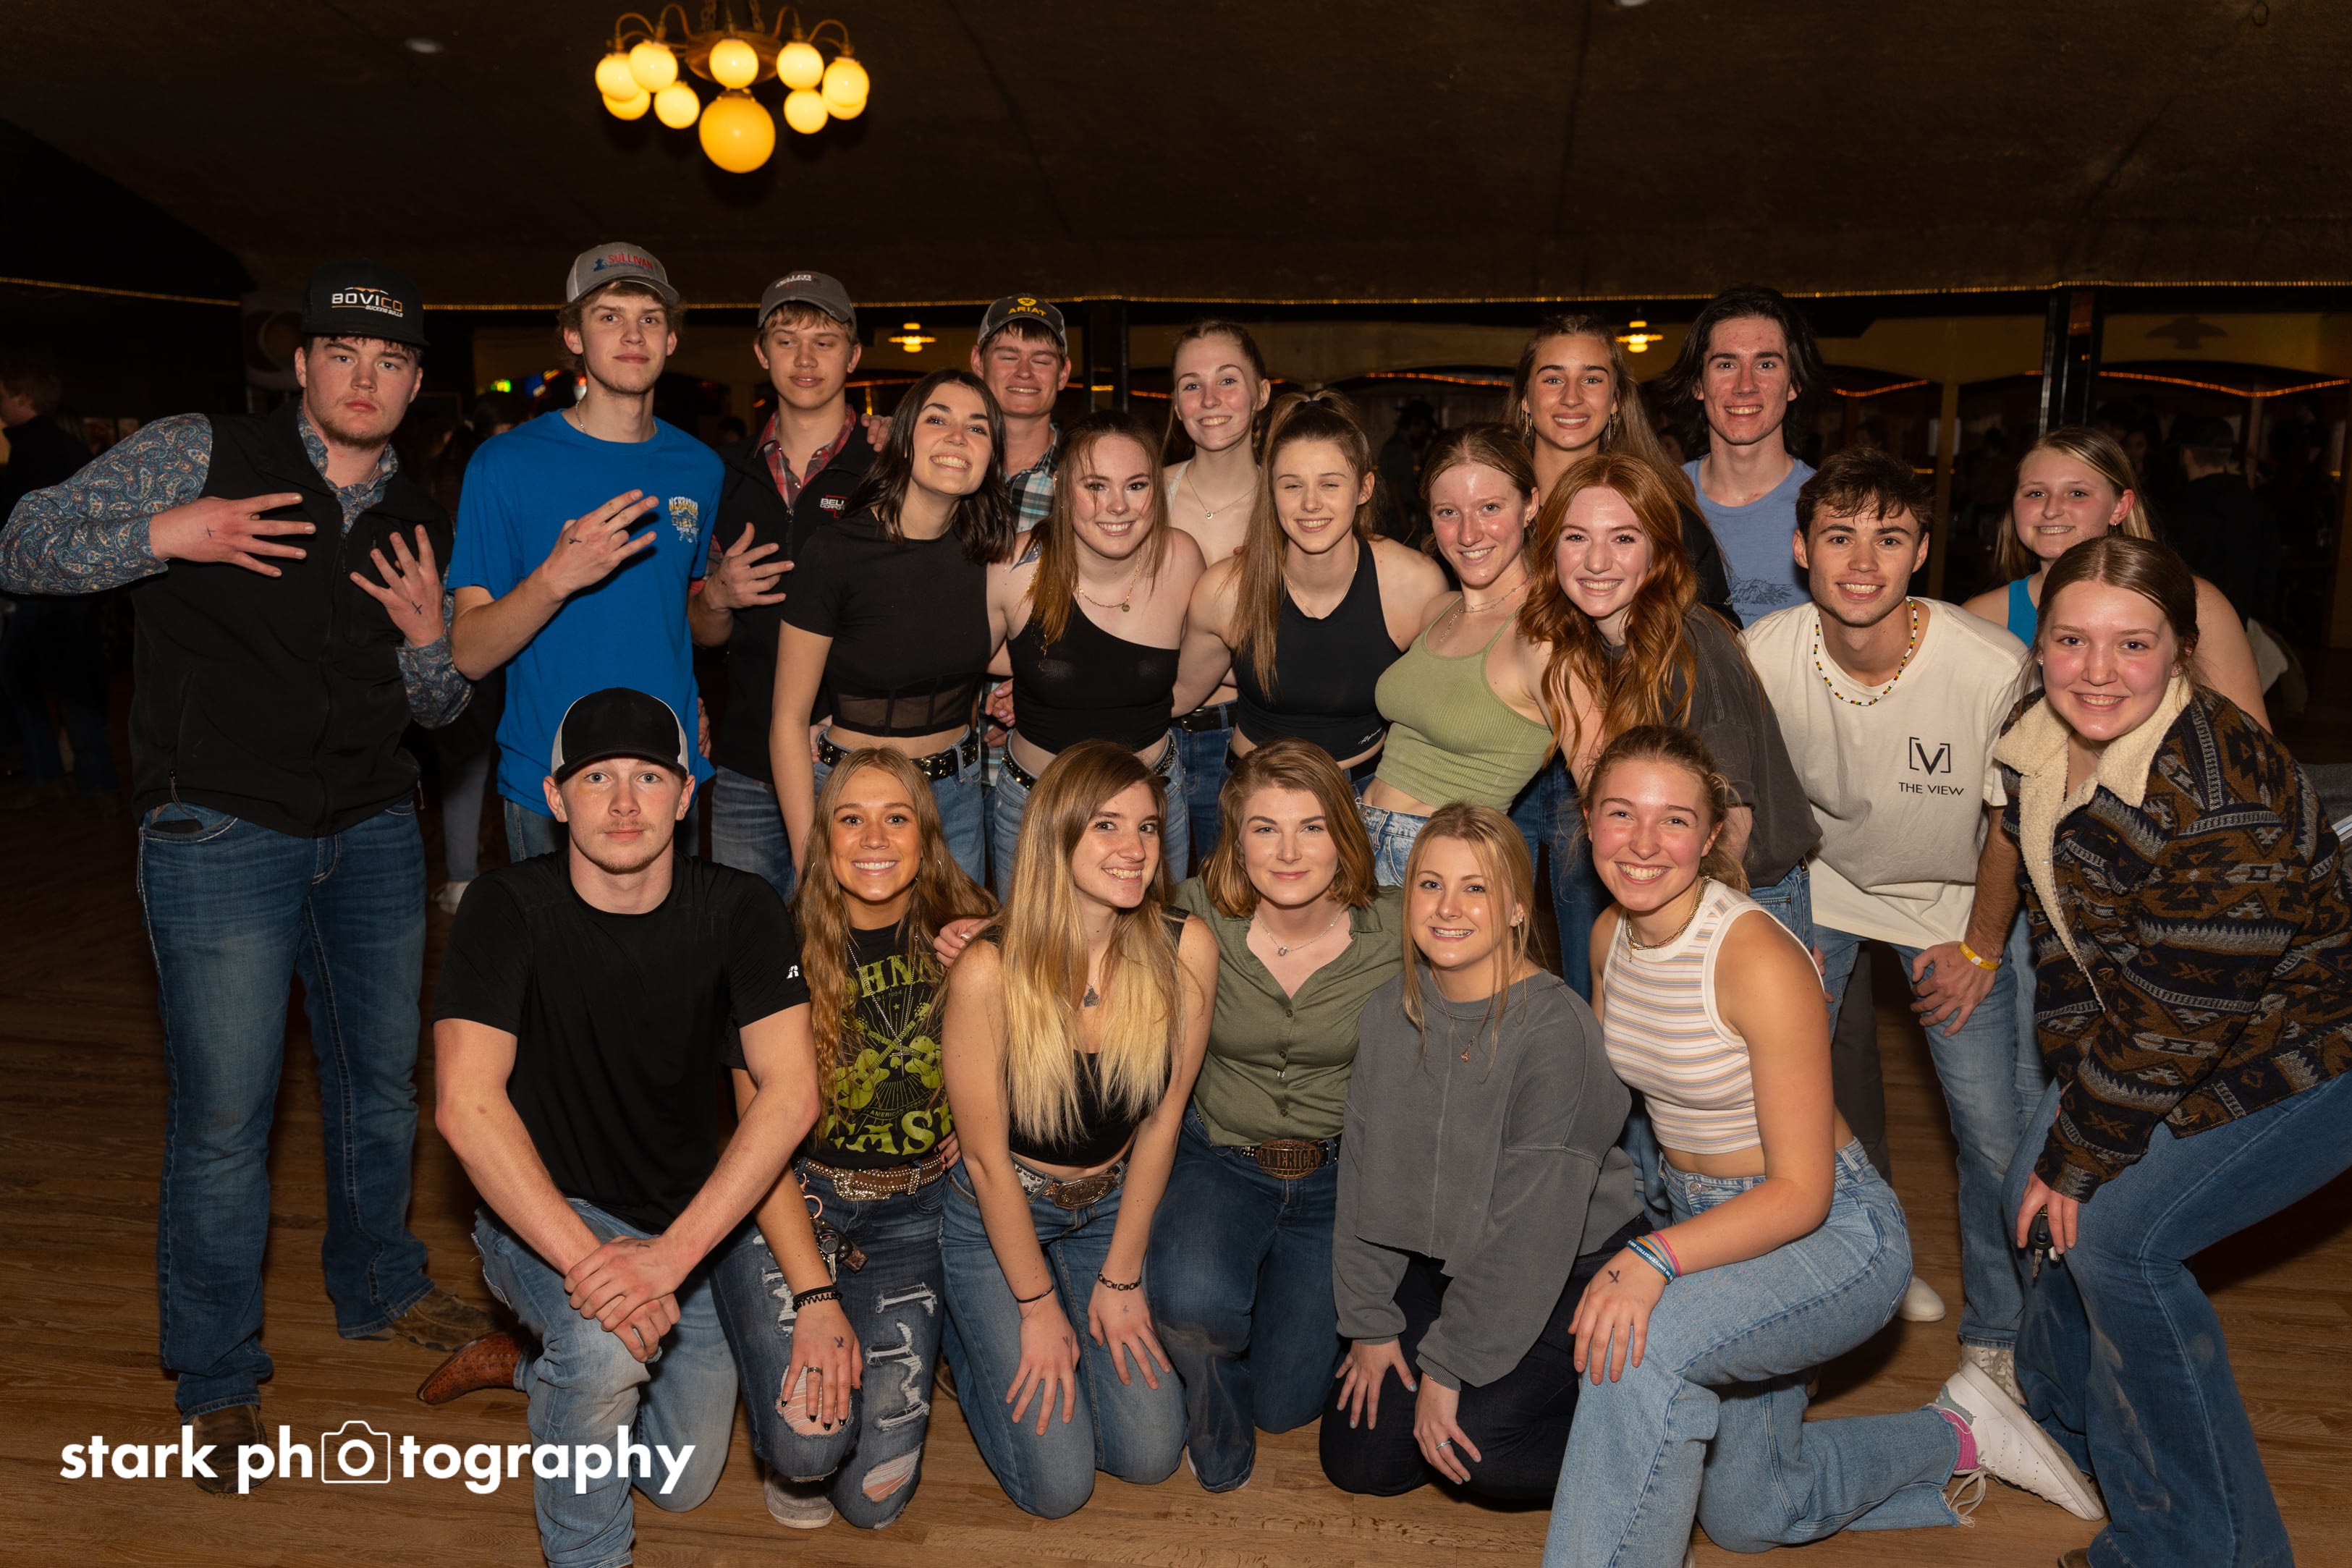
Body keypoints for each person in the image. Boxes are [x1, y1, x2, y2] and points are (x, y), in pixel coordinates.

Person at [0, 261, 488, 1481]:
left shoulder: (418, 514)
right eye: (344, 354)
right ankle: (217, 1374)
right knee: (227, 1118)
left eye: (390, 361)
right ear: (302, 363)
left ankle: (380, 1284)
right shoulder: (199, 451)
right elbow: (22, 544)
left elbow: (435, 709)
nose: (364, 377)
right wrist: (168, 534)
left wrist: (431, 643)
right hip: (218, 829)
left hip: (373, 827)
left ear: (414, 384)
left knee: (383, 1089)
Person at [1541, 725, 2101, 1568]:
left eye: (1673, 820)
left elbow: (1801, 1193)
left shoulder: (1755, 956)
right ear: (1588, 820)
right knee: (1754, 1509)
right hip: (1708, 1229)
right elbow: (1613, 1108)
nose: (1643, 843)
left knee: (1638, 1346)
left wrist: (1649, 1258)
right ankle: (1960, 1433)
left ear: (1712, 833)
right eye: (1621, 814)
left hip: (1829, 1233)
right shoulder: (1607, 937)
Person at [1992, 535, 2352, 1568]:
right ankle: (2065, 1430)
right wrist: (2074, 1106)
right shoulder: (2034, 746)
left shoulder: (2224, 791)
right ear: (2041, 644)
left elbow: (2180, 1017)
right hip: (2170, 1029)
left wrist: (2085, 1148)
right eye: (2072, 640)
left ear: (2180, 652)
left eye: (2132, 643)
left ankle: (2209, 1547)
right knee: (2031, 1196)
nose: (2097, 671)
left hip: (2303, 1055)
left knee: (2116, 1241)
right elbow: (2066, 940)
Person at [422, 687, 821, 1567]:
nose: (625, 801)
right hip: (545, 1213)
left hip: (684, 1228)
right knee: (604, 1353)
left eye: (649, 776)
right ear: (555, 798)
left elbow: (791, 1093)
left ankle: (537, 1369)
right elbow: (465, 1104)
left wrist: (668, 1259)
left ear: (686, 794)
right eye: (597, 777)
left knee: (683, 1477)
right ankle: (587, 1552)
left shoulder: (740, 908)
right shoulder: (504, 908)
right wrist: (592, 1268)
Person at [1743, 447, 2039, 1377]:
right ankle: (1855, 1266)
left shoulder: (1989, 664)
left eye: (1889, 537)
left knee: (1992, 1129)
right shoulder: (1765, 653)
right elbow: (1735, 804)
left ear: (1920, 551)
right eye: (1839, 536)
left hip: (1954, 900)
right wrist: (1765, 937)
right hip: (1817, 884)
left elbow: (2012, 819)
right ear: (1801, 549)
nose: (1863, 561)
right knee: (1778, 1098)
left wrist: (1981, 947)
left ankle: (1996, 1335)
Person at [1322, 803, 1649, 1501]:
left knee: (1479, 1451)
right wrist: (1370, 1321)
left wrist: (1448, 1366)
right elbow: (1363, 1172)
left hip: (1570, 1265)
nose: (1448, 907)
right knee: (1364, 1462)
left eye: (1476, 888)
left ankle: (1658, 1439)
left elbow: (1529, 1236)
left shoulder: (1556, 1034)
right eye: (1430, 884)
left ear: (1516, 908)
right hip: (1443, 1254)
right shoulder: (1389, 1011)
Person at [711, 745, 995, 1530]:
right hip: (796, 1201)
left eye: (895, 818)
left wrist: (1003, 953)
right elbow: (756, 1147)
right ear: (823, 839)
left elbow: (1060, 1041)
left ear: (926, 836)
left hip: (914, 1217)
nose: (873, 838)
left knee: (875, 1501)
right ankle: (744, 1321)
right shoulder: (769, 945)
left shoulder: (971, 927)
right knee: (807, 1450)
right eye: (851, 818)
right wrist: (813, 1295)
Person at [937, 740, 1218, 1517]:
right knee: (1059, 1488)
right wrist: (1035, 1308)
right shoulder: (989, 969)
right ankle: (967, 1336)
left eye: (1147, 827)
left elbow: (1162, 1122)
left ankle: (1058, 1306)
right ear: (1055, 835)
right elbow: (986, 1163)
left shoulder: (1185, 948)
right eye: (1106, 825)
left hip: (1109, 1208)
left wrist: (1121, 1279)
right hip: (997, 1214)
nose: (1134, 848)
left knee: (1150, 1454)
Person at [1148, 739, 1407, 1493]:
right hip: (1221, 1159)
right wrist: (974, 934)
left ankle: (1253, 1313)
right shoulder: (1190, 913)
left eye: (1312, 827)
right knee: (1193, 1307)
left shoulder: (1398, 927)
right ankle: (1209, 1394)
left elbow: (1497, 961)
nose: (1288, 852)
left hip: (1337, 1178)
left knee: (1287, 1405)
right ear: (1235, 839)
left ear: (1344, 835)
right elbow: (1073, 932)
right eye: (1265, 829)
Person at [447, 243, 748, 859]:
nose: (633, 334)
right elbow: (470, 653)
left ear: (670, 340)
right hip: (552, 780)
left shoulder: (698, 467)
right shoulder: (504, 464)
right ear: (573, 336)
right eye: (609, 316)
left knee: (679, 930)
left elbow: (686, 624)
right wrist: (555, 578)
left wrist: (717, 600)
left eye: (650, 318)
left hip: (666, 771)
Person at [1520, 451, 1816, 937]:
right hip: (1666, 883)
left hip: (1739, 892)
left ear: (1658, 550)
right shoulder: (1587, 641)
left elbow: (1732, 824)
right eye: (1576, 537)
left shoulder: (1694, 647)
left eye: (1623, 538)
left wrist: (1683, 937)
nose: (1596, 561)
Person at [770, 368, 1019, 886]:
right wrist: (808, 855)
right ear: (904, 439)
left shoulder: (991, 558)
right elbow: (789, 720)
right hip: (853, 800)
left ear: (991, 456)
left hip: (956, 797)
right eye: (938, 420)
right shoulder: (836, 552)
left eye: (977, 427)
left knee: (958, 941)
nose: (958, 437)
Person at [1175, 391, 1450, 788]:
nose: (1310, 503)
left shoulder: (1416, 585)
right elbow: (1181, 693)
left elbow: (1439, 712)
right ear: (1271, 492)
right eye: (1292, 486)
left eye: (1330, 484)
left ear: (1364, 488)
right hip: (1252, 795)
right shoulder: (1225, 590)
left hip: (1364, 795)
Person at [706, 271, 876, 901]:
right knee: (747, 943)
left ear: (853, 356)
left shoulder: (890, 469)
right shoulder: (722, 474)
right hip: (747, 764)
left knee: (857, 943)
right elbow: (702, 631)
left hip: (860, 762)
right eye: (786, 341)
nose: (805, 359)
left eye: (824, 342)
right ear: (761, 353)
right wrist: (716, 597)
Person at [988, 409, 1205, 894]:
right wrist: (1032, 669)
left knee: (1155, 942)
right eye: (1095, 486)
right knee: (1029, 946)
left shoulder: (1181, 559)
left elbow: (1203, 670)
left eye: (1136, 485)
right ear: (1062, 487)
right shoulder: (1013, 566)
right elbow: (951, 658)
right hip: (1036, 806)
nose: (1118, 506)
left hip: (1151, 806)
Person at [1959, 425, 2269, 726]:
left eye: (2077, 493)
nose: (2051, 509)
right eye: (2035, 493)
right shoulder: (1981, 619)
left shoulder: (2198, 604)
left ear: (2120, 507)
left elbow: (2251, 746)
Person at [1358, 425, 1559, 883]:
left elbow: (1600, 768)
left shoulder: (1543, 639)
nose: (1468, 534)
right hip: (1360, 838)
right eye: (1448, 512)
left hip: (1442, 868)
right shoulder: (1439, 609)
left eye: (1490, 508)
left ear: (1530, 505)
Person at [1506, 315, 1735, 621]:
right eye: (1553, 380)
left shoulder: (1660, 513)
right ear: (1525, 398)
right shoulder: (1486, 514)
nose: (1571, 398)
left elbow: (1718, 626)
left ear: (1615, 400)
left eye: (1592, 380)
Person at [1162, 321, 1274, 865]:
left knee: (1233, 902)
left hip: (1246, 740)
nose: (1209, 399)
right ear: (1176, 402)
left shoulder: (1292, 505)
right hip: (1148, 734)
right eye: (1192, 384)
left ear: (1261, 393)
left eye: (1228, 380)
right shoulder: (1143, 495)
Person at [1657, 284, 1825, 627]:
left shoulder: (1830, 505)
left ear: (1794, 384)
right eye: (1726, 364)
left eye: (1766, 364)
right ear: (1698, 384)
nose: (1745, 385)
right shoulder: (1659, 500)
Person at [425, 392, 529, 911]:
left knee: (468, 758)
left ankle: (464, 876)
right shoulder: (499, 469)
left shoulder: (450, 470)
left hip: (463, 620)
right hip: (500, 619)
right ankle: (509, 874)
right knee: (501, 750)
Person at [0, 353, 118, 808]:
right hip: (71, 584)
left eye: (4, 396)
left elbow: (21, 525)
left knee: (28, 676)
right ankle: (89, 782)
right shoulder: (66, 446)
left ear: (22, 398)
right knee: (70, 680)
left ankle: (55, 777)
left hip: (45, 585)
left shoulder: (34, 449)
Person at [2164, 411, 2282, 631]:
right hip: (2241, 624)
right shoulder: (2257, 507)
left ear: (2187, 455)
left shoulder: (2178, 508)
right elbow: (2268, 574)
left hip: (2188, 624)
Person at [975, 293, 1071, 530]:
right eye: (1009, 357)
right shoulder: (950, 461)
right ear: (978, 362)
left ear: (1063, 373)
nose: (1024, 372)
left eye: (1041, 361)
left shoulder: (1085, 472)